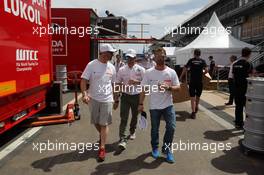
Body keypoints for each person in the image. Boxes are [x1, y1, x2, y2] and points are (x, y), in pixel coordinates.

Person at [138, 47, 180, 163]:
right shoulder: (149, 73)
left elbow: (178, 87)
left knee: (171, 127)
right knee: (155, 129)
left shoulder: (171, 72)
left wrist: (169, 87)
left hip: (168, 105)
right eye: (157, 55)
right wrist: (141, 103)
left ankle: (166, 150)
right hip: (154, 106)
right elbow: (143, 89)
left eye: (162, 55)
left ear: (165, 56)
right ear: (154, 57)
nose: (160, 57)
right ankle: (155, 147)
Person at [80, 44, 117, 162]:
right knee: (96, 122)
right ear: (104, 53)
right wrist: (85, 94)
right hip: (93, 98)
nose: (112, 55)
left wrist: (116, 98)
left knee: (104, 123)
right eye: (111, 53)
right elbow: (84, 80)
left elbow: (113, 84)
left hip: (107, 99)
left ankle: (102, 148)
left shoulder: (112, 67)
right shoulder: (91, 65)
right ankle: (102, 136)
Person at [115, 49, 145, 150]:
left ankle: (132, 131)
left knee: (134, 116)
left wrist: (136, 82)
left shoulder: (141, 69)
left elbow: (146, 84)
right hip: (125, 96)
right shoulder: (122, 69)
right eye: (128, 57)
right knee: (124, 117)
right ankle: (122, 138)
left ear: (135, 58)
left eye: (132, 58)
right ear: (126, 58)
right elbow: (117, 83)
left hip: (136, 96)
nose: (130, 59)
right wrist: (116, 98)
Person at [180, 49, 208, 119]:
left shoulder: (191, 60)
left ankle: (193, 112)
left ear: (194, 54)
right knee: (198, 96)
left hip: (192, 82)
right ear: (200, 54)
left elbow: (185, 69)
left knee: (192, 97)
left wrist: (181, 76)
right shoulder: (202, 61)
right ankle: (196, 106)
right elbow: (207, 70)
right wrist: (202, 73)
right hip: (199, 82)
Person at [233, 47, 253, 129]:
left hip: (236, 88)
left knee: (238, 106)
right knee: (248, 107)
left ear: (242, 53)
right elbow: (251, 76)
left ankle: (238, 123)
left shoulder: (235, 64)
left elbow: (234, 76)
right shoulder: (248, 63)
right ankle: (248, 124)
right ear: (249, 54)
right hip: (246, 89)